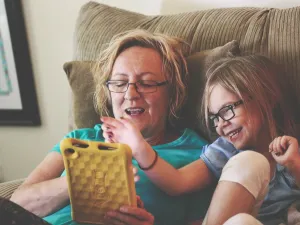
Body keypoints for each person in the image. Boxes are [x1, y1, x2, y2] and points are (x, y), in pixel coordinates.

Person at [10, 29, 213, 225]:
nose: (130, 94)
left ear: (172, 92)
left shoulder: (196, 154)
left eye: (147, 83)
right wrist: (81, 180)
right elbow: (17, 205)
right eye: (119, 83)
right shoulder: (80, 139)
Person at [101, 55, 300, 225]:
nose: (221, 125)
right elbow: (177, 183)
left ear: (267, 96)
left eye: (227, 110)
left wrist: (295, 164)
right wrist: (139, 147)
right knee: (247, 182)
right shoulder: (226, 150)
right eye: (215, 118)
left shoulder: (294, 151)